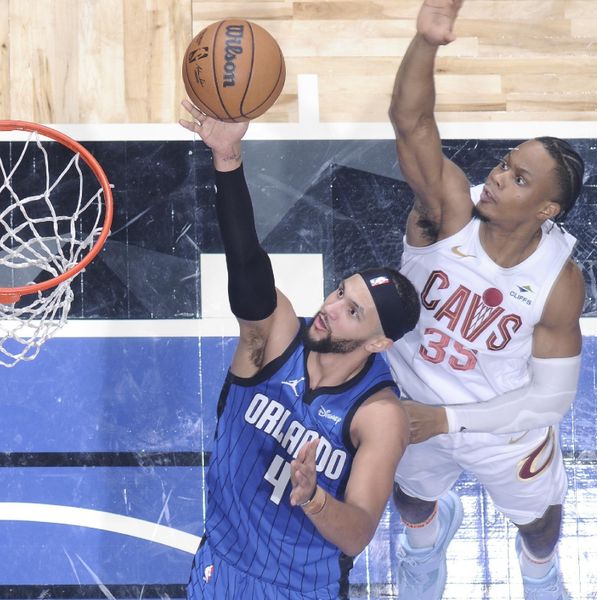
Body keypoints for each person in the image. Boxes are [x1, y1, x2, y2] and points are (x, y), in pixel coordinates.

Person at [178, 98, 421, 599]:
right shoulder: (276, 337)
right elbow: (247, 267)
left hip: (300, 589)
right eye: (340, 292)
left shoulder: (378, 415)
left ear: (378, 343)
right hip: (221, 567)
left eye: (353, 311)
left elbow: (357, 533)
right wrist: (227, 159)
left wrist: (312, 499)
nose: (332, 307)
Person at [385, 1, 586, 599]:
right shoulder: (445, 214)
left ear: (547, 210)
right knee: (411, 499)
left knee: (540, 523)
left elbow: (550, 400)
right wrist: (426, 42)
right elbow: (411, 124)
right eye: (505, 165)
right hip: (416, 401)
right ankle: (425, 546)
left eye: (520, 179)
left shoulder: (559, 279)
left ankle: (540, 573)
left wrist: (448, 420)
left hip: (503, 423)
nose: (498, 177)